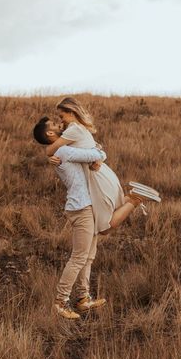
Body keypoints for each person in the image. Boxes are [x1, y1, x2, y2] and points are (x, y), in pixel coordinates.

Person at [33, 117, 160, 320]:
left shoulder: (62, 150)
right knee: (78, 257)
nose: (59, 125)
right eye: (55, 126)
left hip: (86, 206)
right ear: (50, 134)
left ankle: (83, 298)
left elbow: (88, 153)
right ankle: (60, 302)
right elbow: (94, 153)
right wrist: (100, 153)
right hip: (80, 208)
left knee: (88, 256)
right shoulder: (64, 151)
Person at [46, 97, 160, 235]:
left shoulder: (73, 129)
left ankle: (135, 199)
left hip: (96, 177)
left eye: (61, 116)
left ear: (71, 112)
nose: (61, 120)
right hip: (102, 173)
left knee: (105, 228)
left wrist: (50, 155)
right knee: (111, 213)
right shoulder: (81, 129)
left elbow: (50, 150)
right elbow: (97, 149)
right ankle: (132, 197)